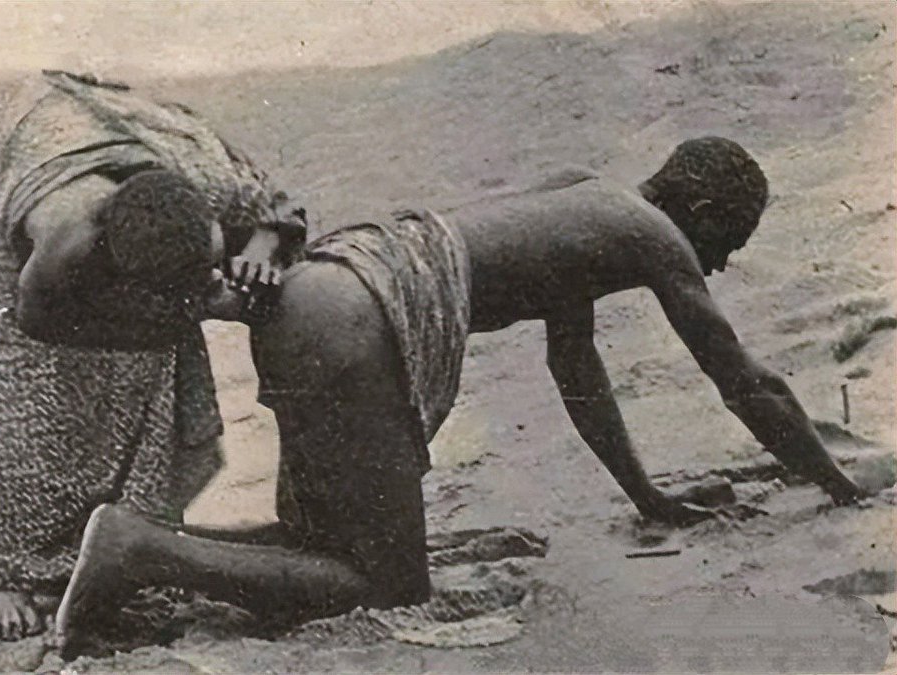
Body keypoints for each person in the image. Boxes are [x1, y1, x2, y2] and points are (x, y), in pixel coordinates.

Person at [44, 136, 866, 656]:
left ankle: (143, 545)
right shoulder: (654, 239)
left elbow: (576, 368)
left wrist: (646, 494)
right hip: (358, 320)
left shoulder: (588, 196)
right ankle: (134, 549)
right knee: (387, 586)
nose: (718, 265)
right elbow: (747, 383)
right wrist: (842, 486)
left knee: (317, 539)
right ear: (705, 211)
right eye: (727, 243)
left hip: (330, 289)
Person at [0, 70, 306, 641]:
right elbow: (35, 322)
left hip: (99, 137)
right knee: (8, 387)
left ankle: (139, 539)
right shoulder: (65, 234)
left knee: (155, 372)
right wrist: (169, 320)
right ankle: (11, 578)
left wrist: (260, 251)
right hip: (0, 135)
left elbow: (274, 210)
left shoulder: (204, 185)